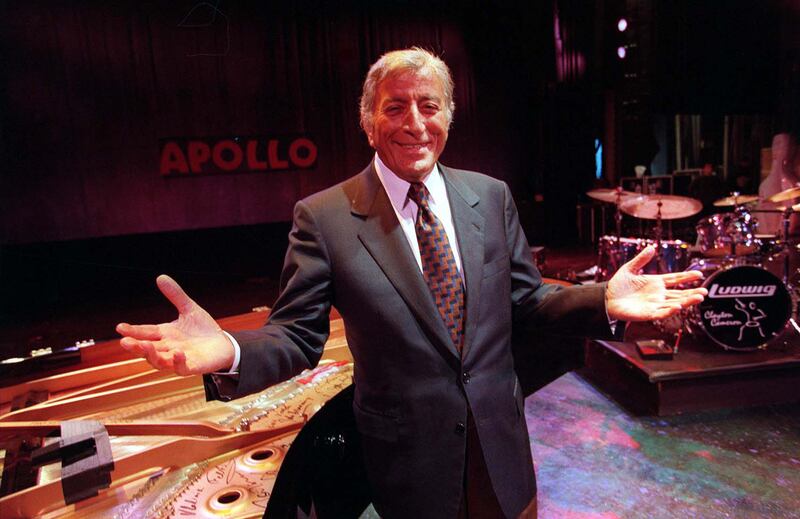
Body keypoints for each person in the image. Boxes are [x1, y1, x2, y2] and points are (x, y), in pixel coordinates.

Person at [117, 48, 706, 518]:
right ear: (368, 122)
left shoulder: (490, 196)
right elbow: (297, 336)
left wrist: (604, 299)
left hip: (503, 454)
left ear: (449, 116)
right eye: (395, 107)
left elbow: (528, 302)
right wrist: (230, 348)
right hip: (408, 468)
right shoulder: (323, 216)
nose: (415, 123)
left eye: (430, 105)